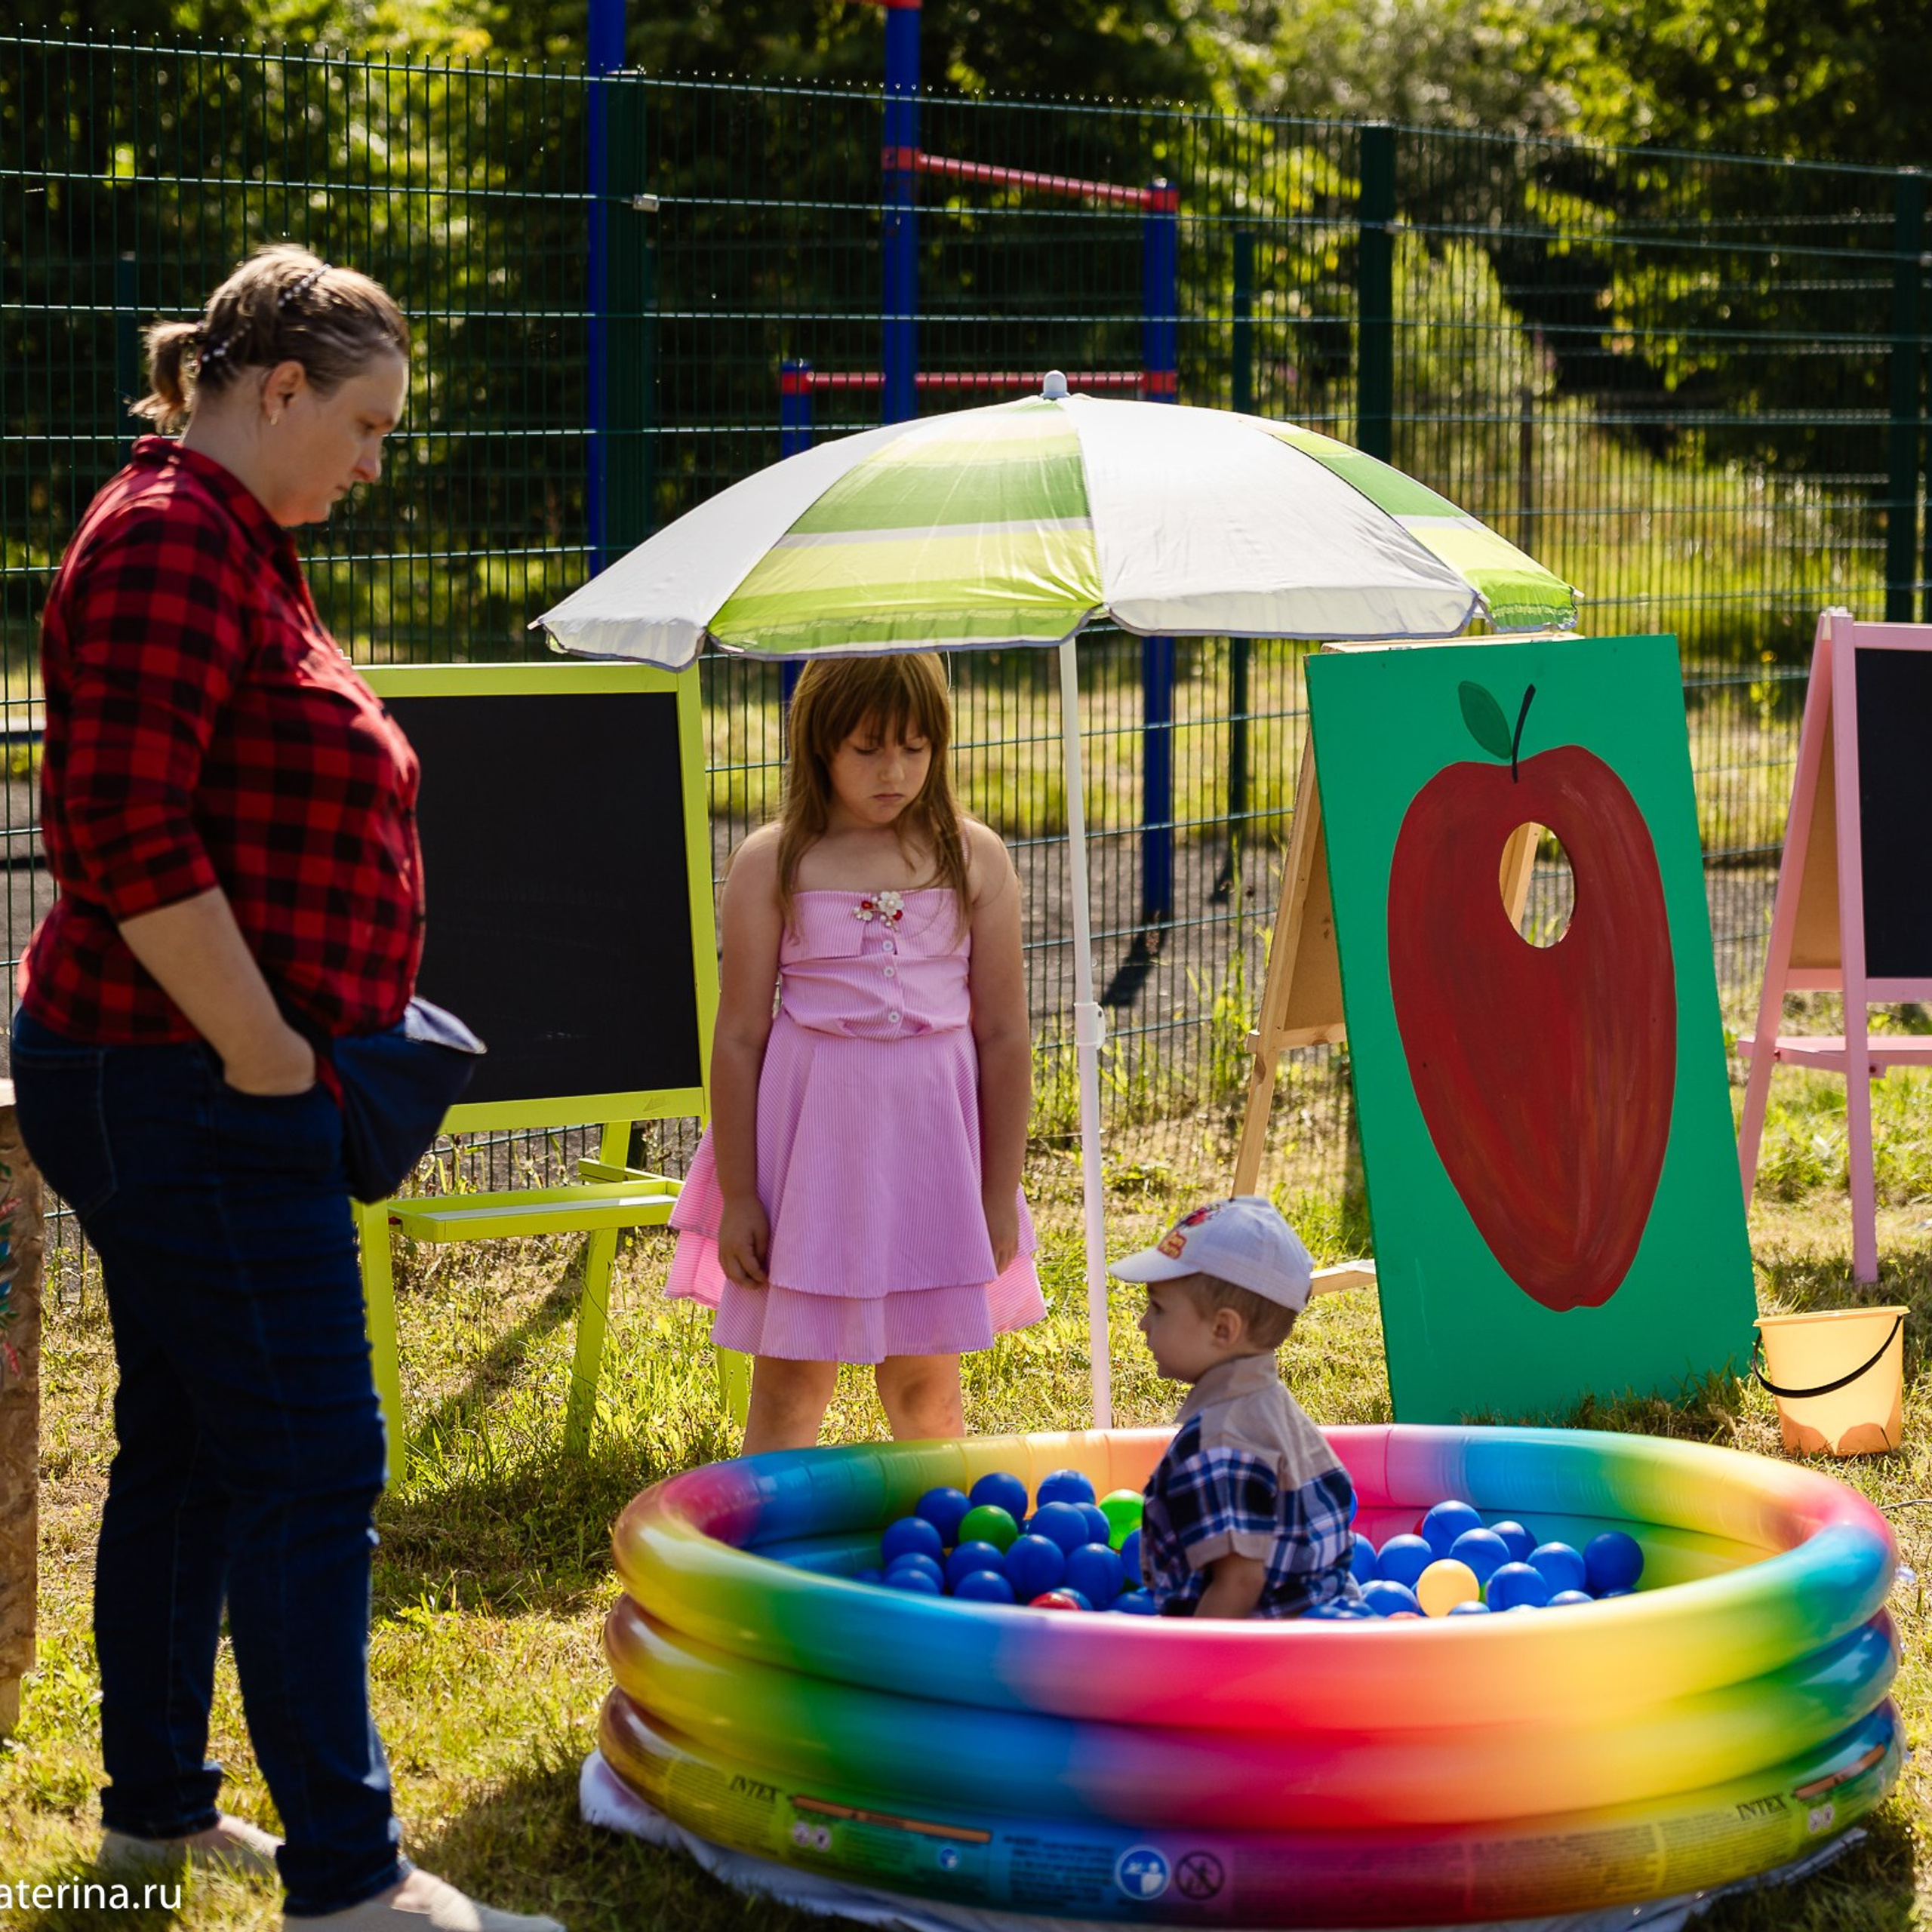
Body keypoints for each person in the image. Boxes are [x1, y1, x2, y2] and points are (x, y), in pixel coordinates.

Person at [10, 245, 561, 1932]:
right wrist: (262, 1052)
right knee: (316, 1456)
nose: (379, 461)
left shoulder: (233, 537)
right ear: (278, 390)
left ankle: (154, 1822)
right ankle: (349, 1876)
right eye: (371, 425)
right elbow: (118, 822)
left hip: (191, 1072)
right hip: (183, 1078)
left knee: (185, 1440)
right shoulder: (172, 539)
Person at [666, 651, 1043, 1453]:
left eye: (914, 746)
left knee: (925, 1388)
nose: (894, 770)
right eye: (868, 748)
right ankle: (765, 1561)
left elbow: (1004, 1034)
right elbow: (738, 1037)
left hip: (931, 1158)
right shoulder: (773, 862)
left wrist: (998, 1189)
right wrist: (740, 1195)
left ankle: (938, 1561)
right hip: (812, 1160)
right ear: (818, 745)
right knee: (789, 1385)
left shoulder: (975, 858)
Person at [1112, 1196, 1360, 1620]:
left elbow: (1240, 1582)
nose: (1142, 1323)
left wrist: (1188, 1671)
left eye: (1157, 1307)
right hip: (1326, 1622)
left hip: (1263, 1652)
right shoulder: (1273, 1406)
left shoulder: (1220, 1438)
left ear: (1223, 1328)